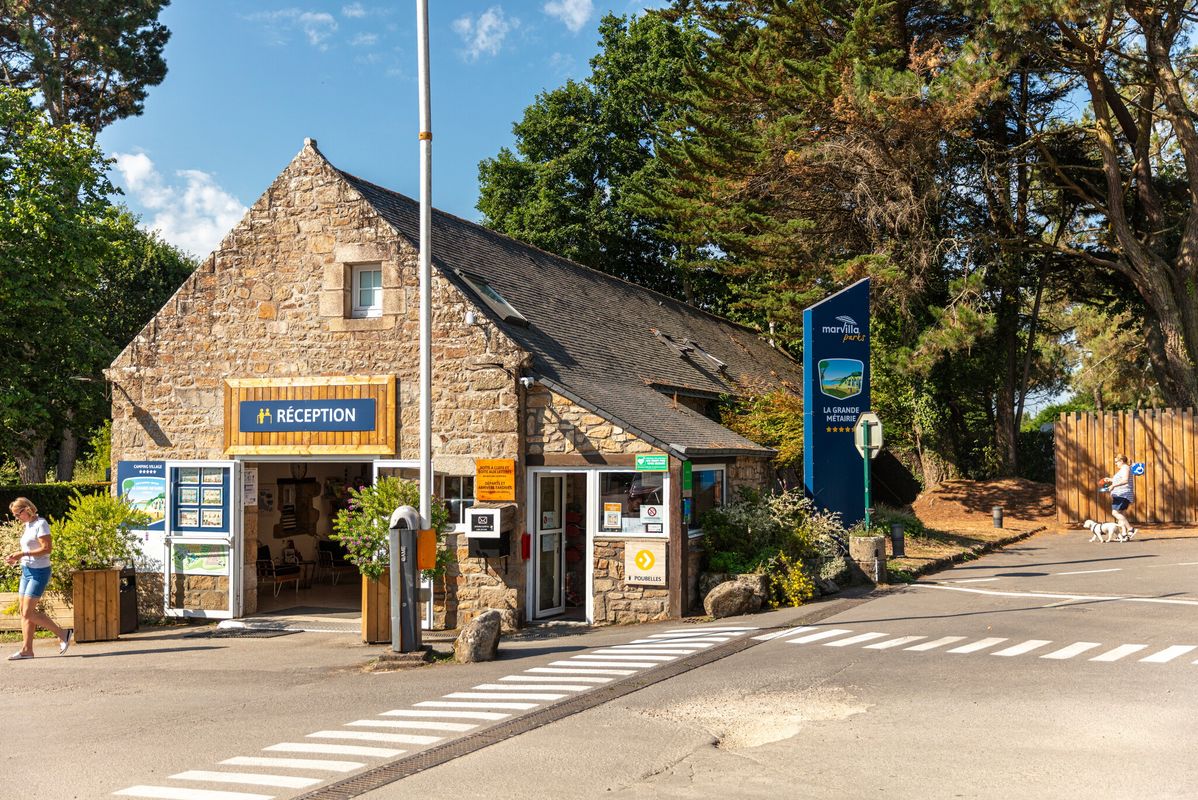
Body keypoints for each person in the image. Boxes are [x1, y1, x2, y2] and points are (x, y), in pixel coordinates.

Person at [5, 498, 72, 660]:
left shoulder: (41, 524)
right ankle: (27, 650)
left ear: (26, 509)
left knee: (28, 612)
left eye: (17, 514)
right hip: (26, 571)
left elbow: (47, 549)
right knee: (24, 612)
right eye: (14, 515)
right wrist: (17, 558)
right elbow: (31, 548)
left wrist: (22, 554)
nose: (16, 518)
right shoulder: (28, 525)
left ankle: (64, 634)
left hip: (39, 572)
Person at [1102, 454, 1138, 541]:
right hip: (1121, 494)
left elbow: (1125, 480)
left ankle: (1130, 529)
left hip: (1123, 494)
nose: (1115, 464)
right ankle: (1124, 534)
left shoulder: (1125, 468)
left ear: (1121, 461)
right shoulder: (1123, 469)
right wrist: (1110, 480)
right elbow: (1121, 479)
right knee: (1121, 514)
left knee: (1115, 513)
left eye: (1116, 462)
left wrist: (1113, 485)